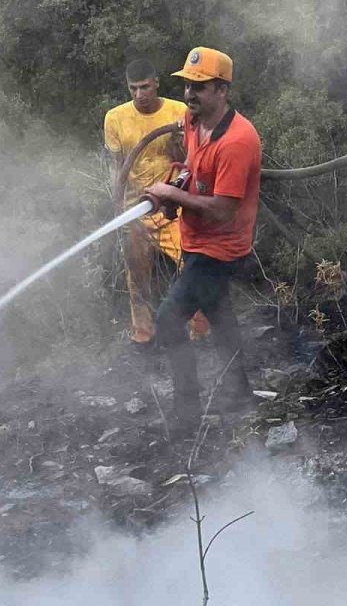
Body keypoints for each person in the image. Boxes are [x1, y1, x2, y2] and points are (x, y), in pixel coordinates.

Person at [147, 46, 262, 435]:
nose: (189, 94)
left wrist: (173, 195)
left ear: (222, 90)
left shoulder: (238, 141)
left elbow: (222, 210)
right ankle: (240, 393)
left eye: (200, 86)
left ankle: (187, 410)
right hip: (197, 240)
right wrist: (174, 190)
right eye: (187, 86)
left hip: (222, 249)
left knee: (167, 319)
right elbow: (193, 170)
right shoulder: (192, 121)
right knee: (219, 314)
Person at [103, 59, 208, 348]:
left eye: (145, 87)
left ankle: (200, 336)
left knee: (192, 267)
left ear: (156, 83)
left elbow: (194, 160)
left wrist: (178, 142)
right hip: (136, 210)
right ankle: (143, 338)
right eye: (133, 89)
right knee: (136, 277)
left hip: (172, 209)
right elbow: (117, 165)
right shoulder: (115, 118)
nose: (139, 95)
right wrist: (119, 207)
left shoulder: (179, 111)